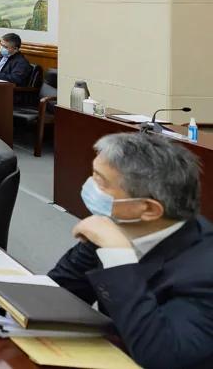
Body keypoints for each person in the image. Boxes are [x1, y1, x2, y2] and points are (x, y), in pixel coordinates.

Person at [47, 133, 213, 369]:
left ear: (148, 209)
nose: (90, 186)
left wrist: (118, 257)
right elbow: (57, 292)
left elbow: (162, 357)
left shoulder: (205, 272)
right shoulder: (118, 224)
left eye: (101, 182)